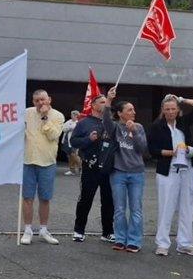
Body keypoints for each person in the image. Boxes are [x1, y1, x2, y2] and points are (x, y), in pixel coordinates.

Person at [147, 94, 193, 257]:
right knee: (166, 206)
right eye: (167, 109)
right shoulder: (157, 126)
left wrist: (181, 99)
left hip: (187, 168)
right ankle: (162, 243)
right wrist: (169, 153)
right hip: (168, 170)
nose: (171, 112)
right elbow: (151, 150)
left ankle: (185, 244)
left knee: (187, 206)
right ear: (163, 110)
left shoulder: (184, 121)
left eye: (174, 108)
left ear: (178, 109)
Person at [103, 87, 147, 253]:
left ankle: (134, 240)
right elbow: (106, 120)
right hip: (118, 173)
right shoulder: (114, 128)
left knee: (136, 208)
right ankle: (121, 239)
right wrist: (108, 100)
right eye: (129, 110)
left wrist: (134, 131)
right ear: (120, 114)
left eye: (134, 110)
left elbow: (142, 148)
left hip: (137, 173)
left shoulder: (139, 127)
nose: (133, 112)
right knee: (120, 209)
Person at [20, 89, 64, 245]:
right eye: (37, 100)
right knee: (27, 198)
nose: (40, 103)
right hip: (28, 160)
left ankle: (43, 230)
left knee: (45, 198)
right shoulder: (26, 112)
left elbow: (53, 136)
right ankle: (27, 230)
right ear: (33, 102)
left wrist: (45, 118)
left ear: (49, 99)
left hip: (47, 161)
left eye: (43, 99)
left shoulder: (58, 116)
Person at [70, 94, 115, 243]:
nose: (105, 104)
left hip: (108, 168)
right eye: (102, 102)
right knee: (85, 199)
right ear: (93, 105)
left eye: (106, 102)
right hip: (90, 167)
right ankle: (79, 230)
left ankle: (107, 231)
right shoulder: (84, 123)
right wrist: (89, 139)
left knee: (108, 201)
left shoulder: (110, 123)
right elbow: (74, 141)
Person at [61, 110, 82, 176]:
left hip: (74, 141)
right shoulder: (68, 122)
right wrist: (70, 128)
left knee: (74, 155)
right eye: (72, 115)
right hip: (66, 141)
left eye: (74, 115)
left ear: (77, 116)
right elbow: (63, 129)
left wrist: (71, 128)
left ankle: (81, 168)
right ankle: (71, 170)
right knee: (69, 156)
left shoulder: (79, 122)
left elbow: (79, 132)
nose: (72, 116)